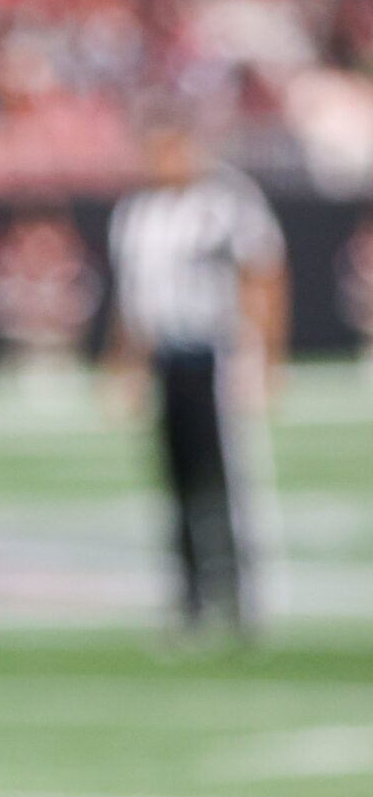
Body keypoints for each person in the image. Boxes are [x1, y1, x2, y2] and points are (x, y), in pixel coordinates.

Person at [107, 117, 288, 639]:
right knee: (177, 478)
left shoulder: (226, 201)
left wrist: (266, 355)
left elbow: (264, 273)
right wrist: (126, 363)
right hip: (167, 355)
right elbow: (133, 299)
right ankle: (189, 594)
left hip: (216, 352)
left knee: (230, 480)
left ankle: (244, 593)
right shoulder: (136, 212)